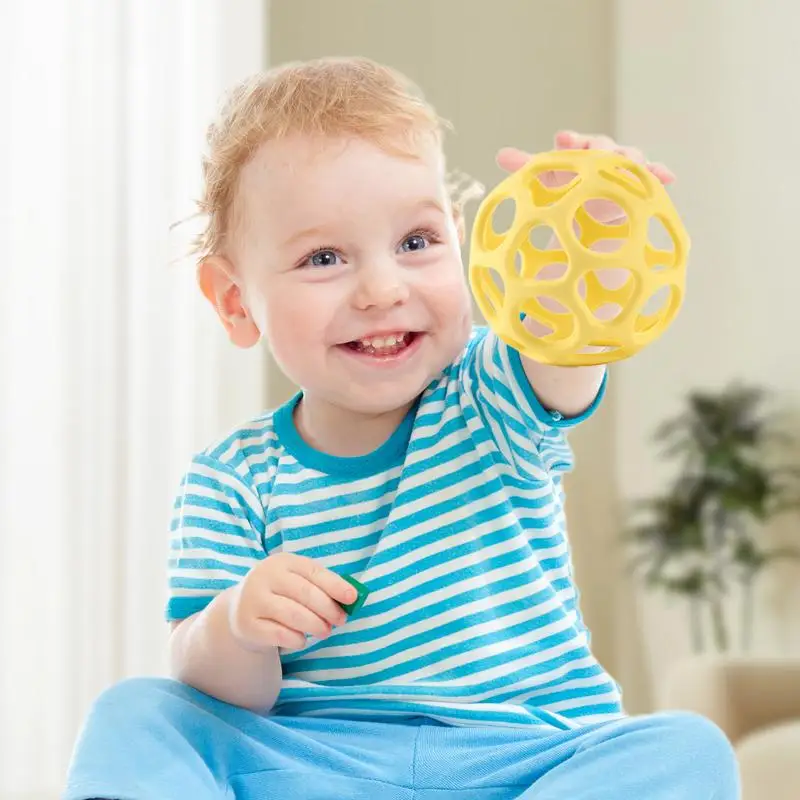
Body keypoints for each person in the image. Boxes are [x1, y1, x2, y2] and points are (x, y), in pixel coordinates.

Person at [63, 56, 739, 800]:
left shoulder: (489, 395)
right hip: (318, 767)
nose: (384, 290)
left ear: (460, 239)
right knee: (136, 714)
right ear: (234, 302)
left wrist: (597, 235)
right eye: (324, 257)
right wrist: (238, 624)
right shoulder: (231, 480)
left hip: (521, 764)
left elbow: (565, 350)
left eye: (417, 242)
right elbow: (225, 689)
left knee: (687, 748)